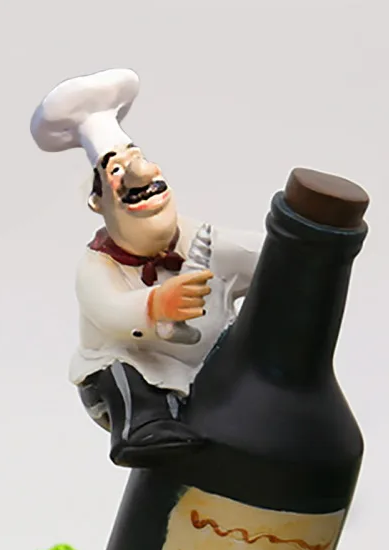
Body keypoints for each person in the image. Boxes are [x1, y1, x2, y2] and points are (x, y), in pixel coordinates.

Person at [31, 68, 260, 467]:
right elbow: (110, 311)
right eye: (117, 171)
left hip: (212, 368)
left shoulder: (200, 236)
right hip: (138, 368)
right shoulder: (96, 266)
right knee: (120, 372)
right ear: (98, 203)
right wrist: (155, 305)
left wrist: (297, 246)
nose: (140, 174)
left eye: (138, 160)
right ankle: (142, 430)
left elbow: (260, 256)